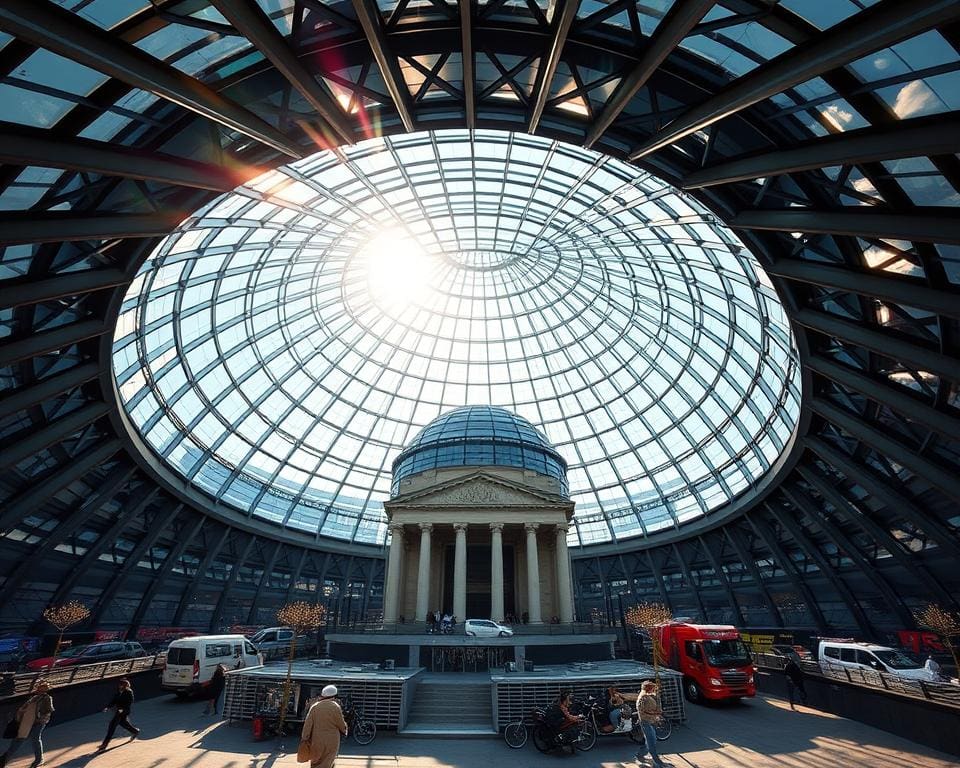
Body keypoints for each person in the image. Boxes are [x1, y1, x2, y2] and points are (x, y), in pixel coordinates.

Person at [0, 679, 53, 768]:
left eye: (43, 689)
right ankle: (4, 759)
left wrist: (38, 717)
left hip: (38, 723)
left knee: (34, 739)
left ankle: (38, 760)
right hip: (27, 723)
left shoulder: (47, 698)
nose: (41, 691)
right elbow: (23, 709)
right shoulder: (34, 698)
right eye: (40, 689)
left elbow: (48, 711)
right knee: (19, 740)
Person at [300, 684, 348, 768]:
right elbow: (341, 724)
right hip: (332, 741)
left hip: (316, 740)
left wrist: (305, 737)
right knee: (328, 762)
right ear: (334, 696)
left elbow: (308, 724)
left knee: (315, 762)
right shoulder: (336, 707)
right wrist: (345, 731)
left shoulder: (315, 707)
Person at [97, 678, 140, 751]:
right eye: (119, 685)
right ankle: (135, 731)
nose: (119, 686)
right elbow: (114, 700)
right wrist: (107, 707)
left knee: (112, 726)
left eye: (121, 685)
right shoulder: (119, 691)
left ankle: (104, 744)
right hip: (119, 711)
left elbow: (130, 702)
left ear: (125, 685)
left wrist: (122, 709)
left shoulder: (128, 692)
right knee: (124, 724)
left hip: (124, 711)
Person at [634, 680, 666, 767]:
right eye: (652, 688)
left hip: (649, 721)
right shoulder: (643, 698)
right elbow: (643, 710)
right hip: (646, 722)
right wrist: (656, 713)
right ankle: (657, 762)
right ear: (648, 688)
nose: (653, 689)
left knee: (651, 741)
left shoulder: (646, 696)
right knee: (651, 741)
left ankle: (639, 754)